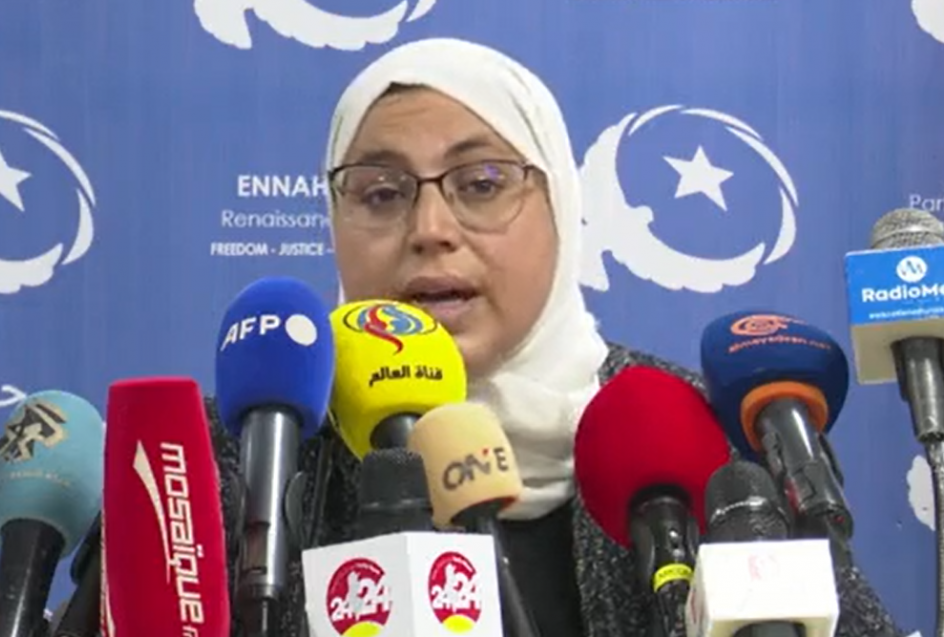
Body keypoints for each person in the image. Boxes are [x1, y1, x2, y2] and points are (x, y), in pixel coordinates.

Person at [207, 37, 902, 637]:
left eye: (481, 183)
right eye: (382, 193)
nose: (430, 229)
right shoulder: (250, 451)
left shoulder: (695, 434)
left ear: (562, 207)